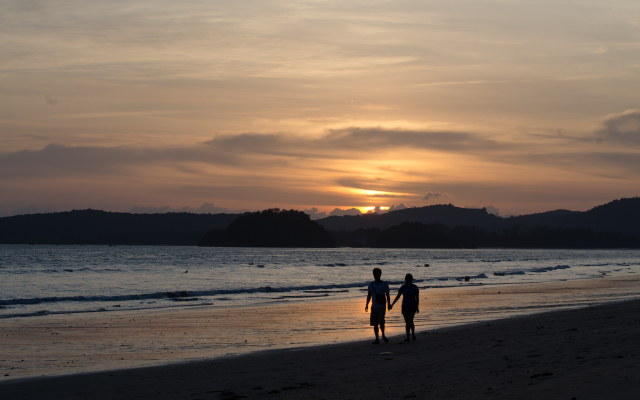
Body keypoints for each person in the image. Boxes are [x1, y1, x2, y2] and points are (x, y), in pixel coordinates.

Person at [390, 273, 420, 341]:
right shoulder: (403, 287)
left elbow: (417, 298)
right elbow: (398, 296)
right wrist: (392, 304)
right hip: (405, 306)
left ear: (411, 280)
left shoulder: (415, 287)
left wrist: (417, 307)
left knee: (410, 320)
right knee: (407, 322)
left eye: (409, 280)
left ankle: (412, 333)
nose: (408, 281)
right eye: (407, 280)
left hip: (412, 306)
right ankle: (408, 336)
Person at [365, 268, 390, 344]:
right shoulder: (371, 284)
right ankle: (377, 338)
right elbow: (369, 295)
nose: (376, 275)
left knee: (381, 321)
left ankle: (383, 335)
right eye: (375, 274)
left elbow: (387, 295)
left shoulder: (384, 284)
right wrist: (366, 304)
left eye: (377, 274)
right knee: (375, 323)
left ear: (380, 274)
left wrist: (389, 304)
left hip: (382, 305)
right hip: (374, 306)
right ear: (373, 275)